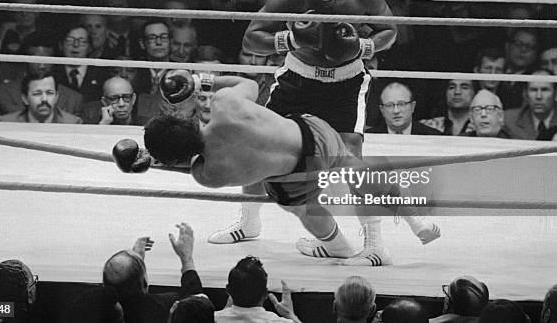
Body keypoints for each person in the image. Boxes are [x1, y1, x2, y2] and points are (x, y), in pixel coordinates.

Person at [117, 72, 429, 265]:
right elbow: (248, 84)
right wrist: (199, 81)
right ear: (184, 119)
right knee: (350, 165)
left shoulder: (208, 174)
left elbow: (188, 165)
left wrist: (152, 161)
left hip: (295, 179)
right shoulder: (226, 104)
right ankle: (409, 212)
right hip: (316, 135)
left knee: (303, 209)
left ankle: (338, 247)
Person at [218, 0, 399, 248]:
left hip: (345, 82)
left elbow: (390, 31)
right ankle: (249, 223)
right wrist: (290, 39)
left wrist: (361, 47)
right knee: (256, 141)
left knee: (351, 158)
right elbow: (251, 40)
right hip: (298, 79)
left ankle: (374, 244)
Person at [103, 224, 202, 323]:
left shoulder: (93, 307)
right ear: (145, 284)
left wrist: (135, 265)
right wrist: (186, 259)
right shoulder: (164, 305)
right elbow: (196, 303)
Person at [214, 256, 301, 323]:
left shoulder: (211, 319)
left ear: (228, 290)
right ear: (266, 294)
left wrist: (223, 312)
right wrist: (290, 315)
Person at [0, 70, 82, 124]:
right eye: (37, 93)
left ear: (56, 97)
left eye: (49, 93)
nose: (44, 99)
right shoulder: (6, 123)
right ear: (25, 99)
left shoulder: (73, 123)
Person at [366, 82, 442, 135]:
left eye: (401, 104)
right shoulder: (368, 137)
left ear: (412, 106)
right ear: (382, 110)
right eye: (389, 105)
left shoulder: (431, 136)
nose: (396, 111)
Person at [504, 70, 557, 140]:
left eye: (545, 90)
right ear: (525, 94)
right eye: (533, 90)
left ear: (555, 94)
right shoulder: (509, 120)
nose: (539, 96)